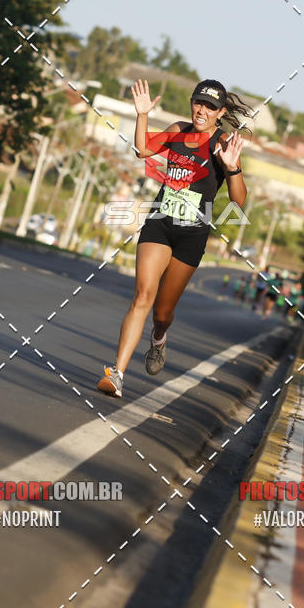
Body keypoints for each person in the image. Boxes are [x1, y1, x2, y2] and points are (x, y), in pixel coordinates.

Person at [97, 78, 252, 397]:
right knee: (143, 295)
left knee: (162, 313)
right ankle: (117, 374)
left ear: (220, 112)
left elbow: (238, 201)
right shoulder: (178, 129)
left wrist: (232, 168)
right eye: (198, 103)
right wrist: (142, 115)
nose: (202, 110)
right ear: (191, 103)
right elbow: (143, 150)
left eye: (210, 107)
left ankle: (159, 337)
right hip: (160, 224)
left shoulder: (223, 143)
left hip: (191, 236)